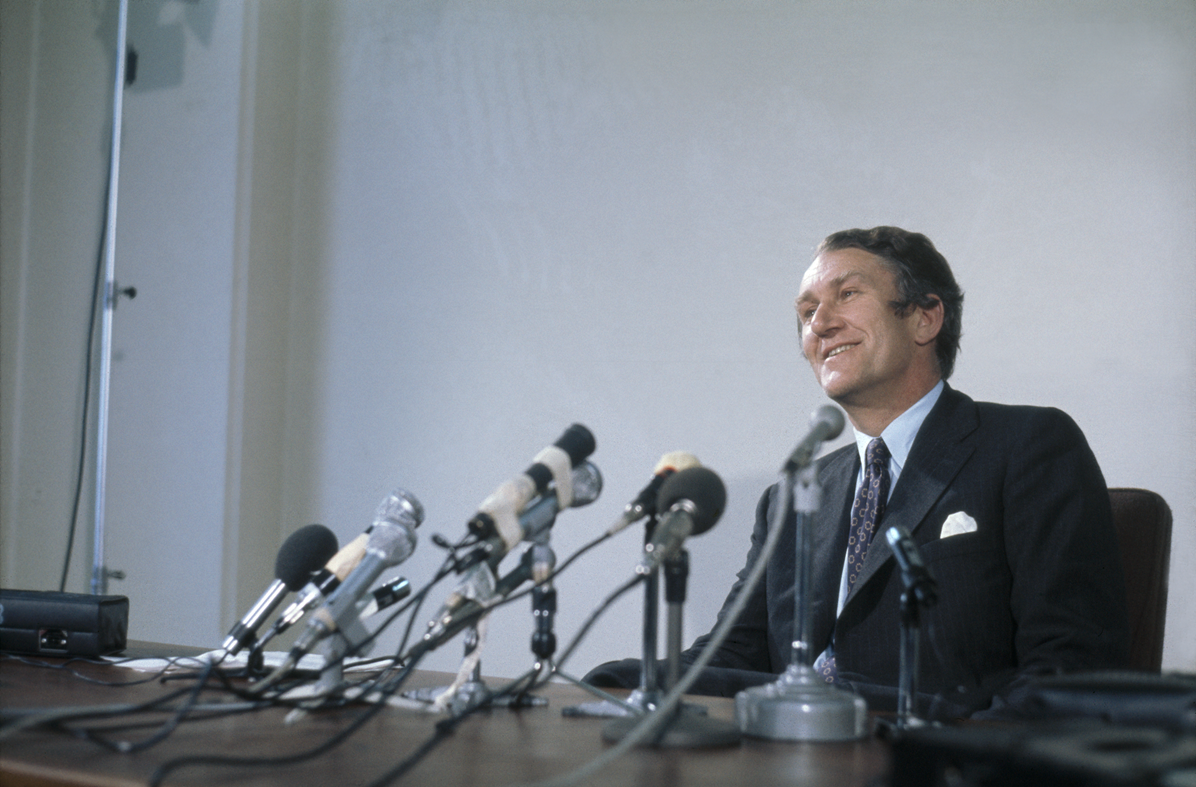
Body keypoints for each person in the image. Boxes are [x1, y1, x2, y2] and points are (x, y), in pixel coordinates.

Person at [585, 226, 1130, 720]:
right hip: (790, 759)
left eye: (846, 295)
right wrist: (627, 689)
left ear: (924, 317)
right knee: (611, 695)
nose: (819, 324)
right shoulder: (793, 496)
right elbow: (735, 652)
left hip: (937, 763)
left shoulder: (1028, 446)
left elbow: (1069, 666)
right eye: (806, 312)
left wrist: (948, 758)